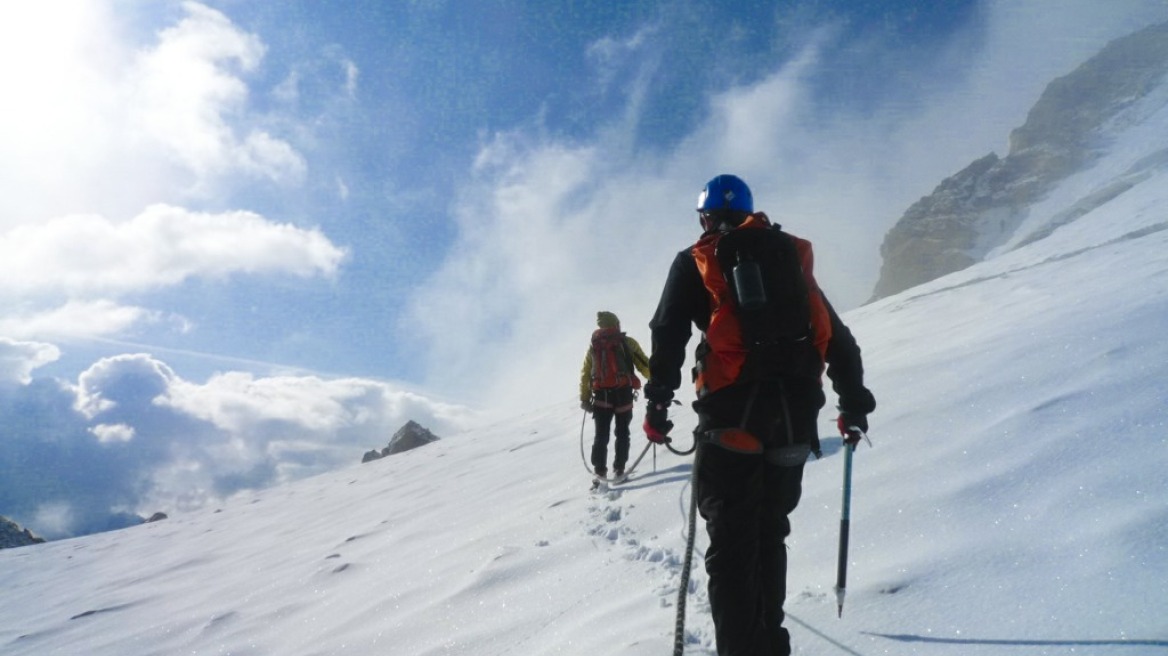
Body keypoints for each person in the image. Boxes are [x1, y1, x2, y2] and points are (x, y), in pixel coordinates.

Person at [642, 174, 876, 656]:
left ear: (705, 217)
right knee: (770, 535)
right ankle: (771, 645)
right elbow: (838, 337)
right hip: (793, 422)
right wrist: (853, 405)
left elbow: (668, 334)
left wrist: (658, 405)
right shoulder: (786, 256)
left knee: (731, 550)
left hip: (731, 420)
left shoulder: (696, 260)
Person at [579, 311, 652, 479]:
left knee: (601, 434)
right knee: (622, 432)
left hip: (601, 396)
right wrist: (655, 380)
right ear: (616, 325)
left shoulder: (593, 346)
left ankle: (599, 471)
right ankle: (619, 469)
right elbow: (644, 364)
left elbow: (585, 373)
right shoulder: (627, 342)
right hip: (623, 394)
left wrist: (584, 397)